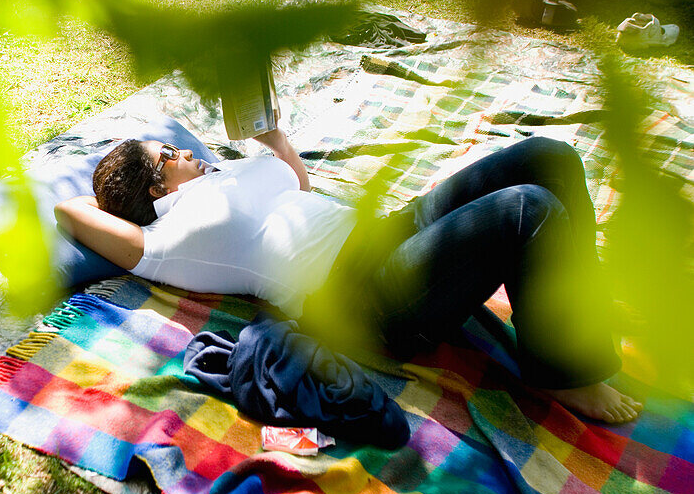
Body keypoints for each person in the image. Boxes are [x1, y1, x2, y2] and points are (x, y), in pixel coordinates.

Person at [54, 129, 643, 424]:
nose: (191, 150)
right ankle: (565, 370)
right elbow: (67, 211)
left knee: (549, 157)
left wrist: (269, 129)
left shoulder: (216, 180)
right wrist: (108, 192)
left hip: (385, 234)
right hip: (366, 298)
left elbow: (297, 186)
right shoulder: (169, 236)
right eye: (172, 153)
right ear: (155, 185)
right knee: (527, 209)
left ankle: (573, 305)